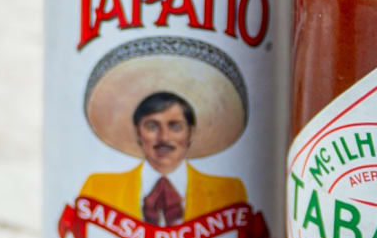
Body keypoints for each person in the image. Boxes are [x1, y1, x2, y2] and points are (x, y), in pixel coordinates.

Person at [75, 92, 248, 229]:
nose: (164, 137)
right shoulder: (98, 188)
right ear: (138, 133)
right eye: (152, 126)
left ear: (191, 133)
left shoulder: (229, 191)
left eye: (175, 127)